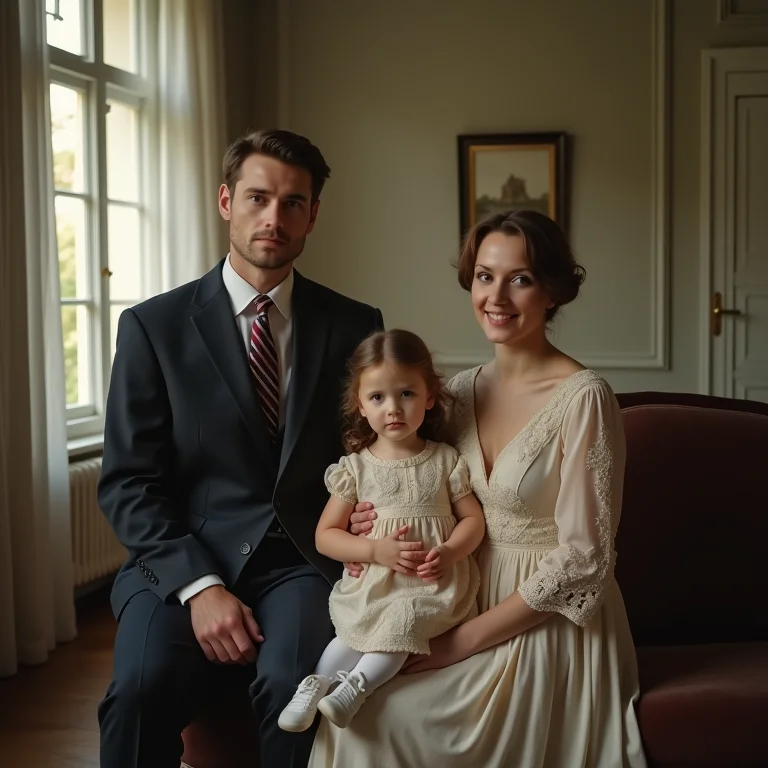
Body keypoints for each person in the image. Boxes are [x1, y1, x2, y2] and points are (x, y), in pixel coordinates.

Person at [311, 210, 647, 767]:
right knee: (356, 710)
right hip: (451, 601)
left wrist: (464, 643)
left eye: (521, 278)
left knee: (387, 716)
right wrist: (367, 537)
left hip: (546, 620)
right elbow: (417, 488)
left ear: (552, 292)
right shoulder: (455, 394)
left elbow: (585, 559)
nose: (497, 296)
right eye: (486, 276)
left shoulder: (584, 396)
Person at [97, 129, 384, 768]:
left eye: (292, 203)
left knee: (297, 693)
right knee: (139, 691)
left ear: (313, 214)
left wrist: (372, 503)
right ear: (227, 200)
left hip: (300, 563)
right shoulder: (152, 327)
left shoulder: (355, 324)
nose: (273, 219)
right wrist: (199, 586)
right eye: (258, 198)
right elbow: (127, 482)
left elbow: (371, 449)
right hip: (179, 559)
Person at [277, 330, 485, 733]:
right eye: (378, 398)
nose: (393, 409)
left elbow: (473, 520)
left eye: (406, 394)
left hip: (427, 586)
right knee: (352, 636)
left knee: (401, 623)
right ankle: (314, 687)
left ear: (429, 397)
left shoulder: (445, 460)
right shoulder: (355, 468)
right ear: (360, 405)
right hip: (375, 582)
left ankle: (357, 685)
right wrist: (373, 550)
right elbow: (326, 535)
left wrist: (451, 552)